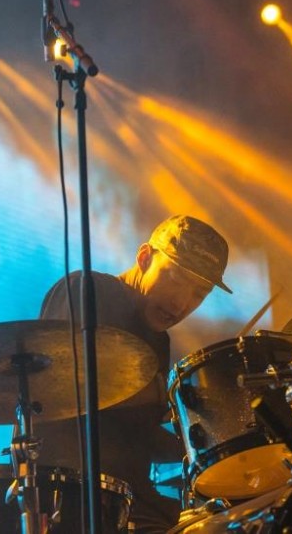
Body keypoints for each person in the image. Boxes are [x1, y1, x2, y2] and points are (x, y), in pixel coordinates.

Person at [34, 214, 232, 533]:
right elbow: (64, 382)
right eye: (176, 279)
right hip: (67, 496)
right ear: (144, 258)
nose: (182, 302)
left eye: (200, 293)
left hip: (128, 501)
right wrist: (166, 393)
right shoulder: (88, 288)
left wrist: (217, 444)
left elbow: (138, 437)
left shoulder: (158, 340)